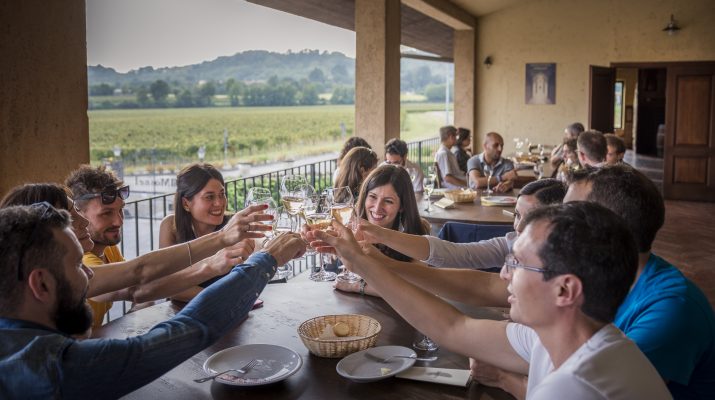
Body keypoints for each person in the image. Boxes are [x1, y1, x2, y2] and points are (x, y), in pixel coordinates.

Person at [312, 202, 671, 399]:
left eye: (518, 264)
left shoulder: (575, 387)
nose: (502, 275)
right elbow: (453, 326)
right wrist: (365, 262)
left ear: (565, 290)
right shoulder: (569, 339)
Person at [0, 203, 306, 399]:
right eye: (81, 266)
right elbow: (192, 327)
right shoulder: (53, 370)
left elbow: (139, 278)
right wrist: (267, 260)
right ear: (41, 283)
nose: (91, 276)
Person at [0, 183, 267, 322]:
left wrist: (212, 266)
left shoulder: (89, 264)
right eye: (70, 217)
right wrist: (221, 240)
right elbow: (139, 272)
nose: (82, 223)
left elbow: (137, 288)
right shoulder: (69, 274)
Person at [566, 165, 715, 398]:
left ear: (608, 230)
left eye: (569, 217)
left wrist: (505, 379)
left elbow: (597, 390)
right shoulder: (598, 276)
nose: (555, 226)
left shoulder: (672, 308)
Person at [356, 178, 566, 272]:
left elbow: (483, 287)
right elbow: (456, 253)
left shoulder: (562, 267)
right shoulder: (510, 243)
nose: (518, 228)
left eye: (529, 218)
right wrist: (378, 234)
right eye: (517, 215)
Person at [156, 163, 255, 302]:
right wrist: (220, 297)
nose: (219, 203)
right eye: (209, 197)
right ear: (186, 204)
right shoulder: (171, 227)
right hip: (181, 313)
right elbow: (168, 287)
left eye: (222, 194)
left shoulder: (233, 226)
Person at [332, 165, 429, 296]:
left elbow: (420, 286)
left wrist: (359, 286)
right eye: (372, 197)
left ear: (402, 206)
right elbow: (344, 276)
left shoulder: (416, 232)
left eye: (388, 201)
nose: (377, 208)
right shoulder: (352, 229)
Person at [65, 165, 130, 327]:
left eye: (120, 210)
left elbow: (136, 282)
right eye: (106, 213)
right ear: (77, 215)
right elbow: (138, 283)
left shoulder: (108, 247)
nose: (119, 221)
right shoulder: (82, 259)